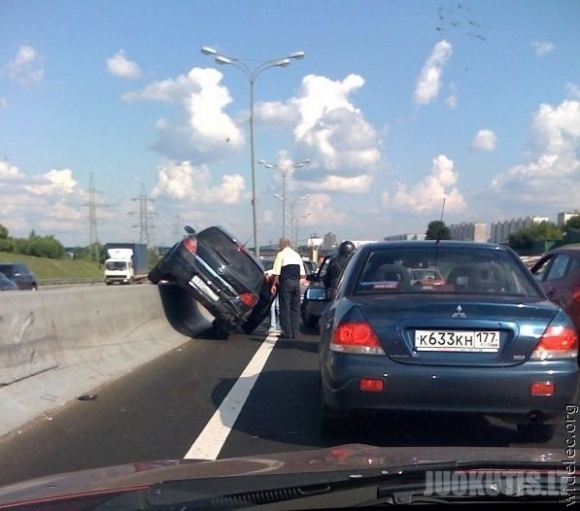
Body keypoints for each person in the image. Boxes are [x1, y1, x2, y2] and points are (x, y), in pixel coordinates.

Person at [270, 237, 306, 339]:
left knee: (284, 308)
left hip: (286, 283)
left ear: (282, 244)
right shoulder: (297, 255)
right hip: (296, 283)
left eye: (279, 244)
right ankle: (295, 331)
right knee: (295, 308)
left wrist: (273, 285)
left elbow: (276, 272)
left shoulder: (281, 255)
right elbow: (302, 274)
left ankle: (287, 332)